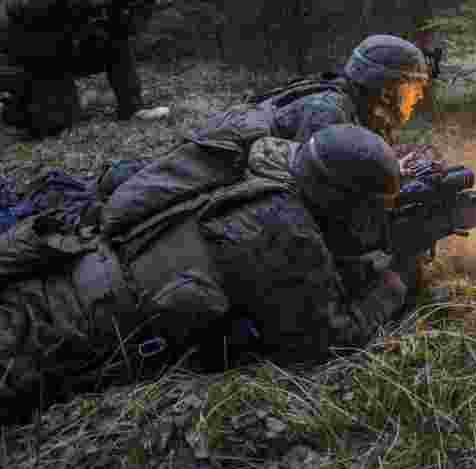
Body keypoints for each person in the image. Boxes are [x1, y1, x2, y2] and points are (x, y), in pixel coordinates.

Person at [0, 124, 412, 422]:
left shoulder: (263, 163)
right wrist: (390, 287)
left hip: (66, 273)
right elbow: (323, 341)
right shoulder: (286, 231)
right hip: (59, 333)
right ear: (341, 202)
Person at [0, 0, 156, 137]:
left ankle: (133, 107)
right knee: (52, 126)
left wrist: (133, 12)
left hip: (55, 59)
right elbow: (19, 4)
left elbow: (114, 32)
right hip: (17, 63)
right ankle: (11, 106)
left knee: (115, 40)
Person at [249, 33, 430, 146]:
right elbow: (315, 190)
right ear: (387, 91)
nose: (420, 96)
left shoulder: (363, 114)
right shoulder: (328, 114)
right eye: (414, 87)